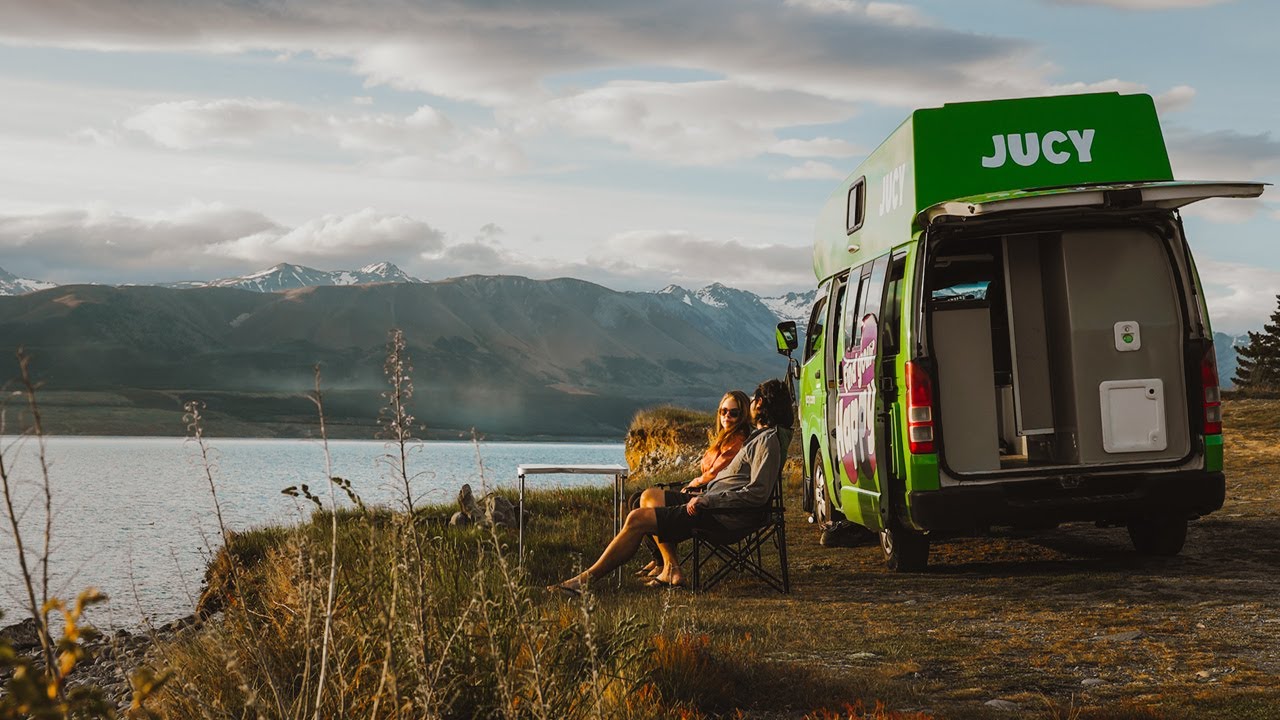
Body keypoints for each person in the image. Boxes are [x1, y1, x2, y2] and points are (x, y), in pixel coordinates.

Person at [549, 379, 793, 595]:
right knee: (650, 495)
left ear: (759, 403)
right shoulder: (760, 438)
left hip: (722, 516)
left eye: (751, 401)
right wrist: (704, 495)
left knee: (637, 518)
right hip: (713, 506)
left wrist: (708, 500)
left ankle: (585, 581)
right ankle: (669, 568)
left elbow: (757, 494)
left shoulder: (768, 441)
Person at [632, 390, 752, 583]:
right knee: (637, 499)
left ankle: (668, 566)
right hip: (705, 492)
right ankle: (661, 561)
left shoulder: (738, 441)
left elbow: (715, 474)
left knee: (647, 499)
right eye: (723, 411)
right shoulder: (724, 438)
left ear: (743, 415)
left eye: (733, 413)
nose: (726, 416)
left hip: (712, 501)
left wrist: (693, 484)